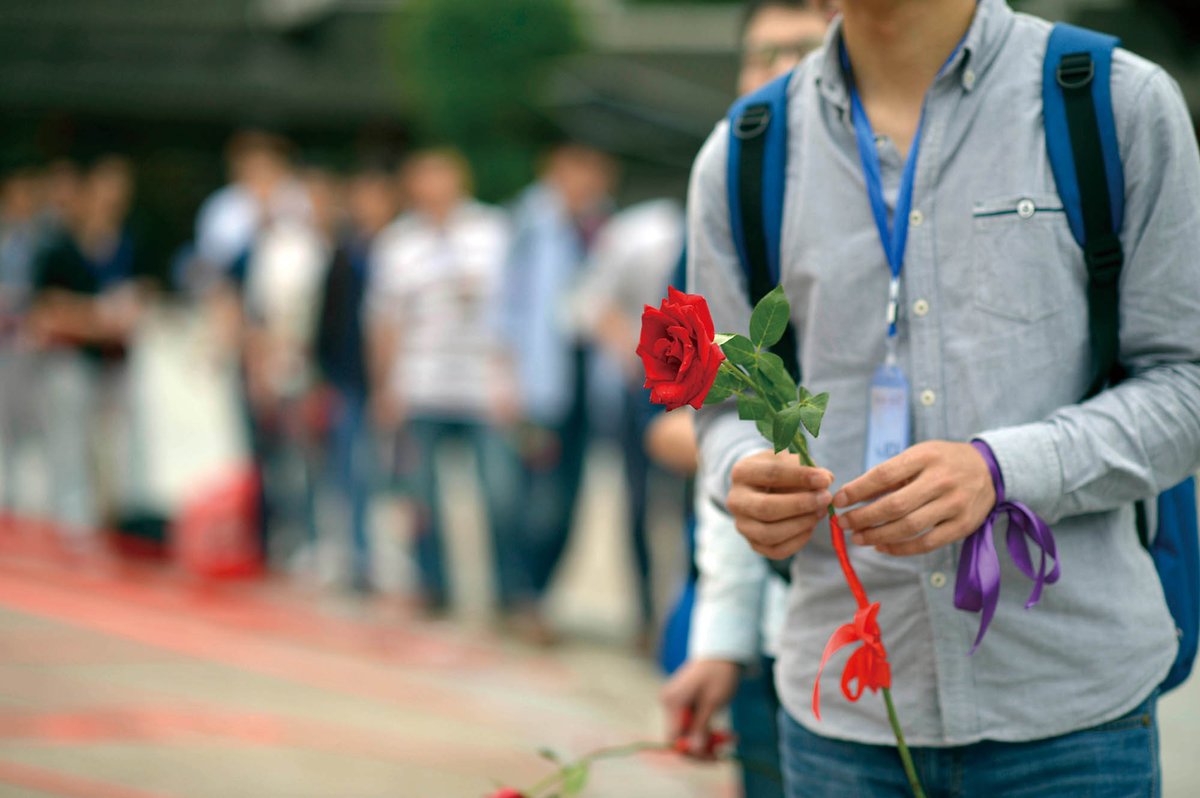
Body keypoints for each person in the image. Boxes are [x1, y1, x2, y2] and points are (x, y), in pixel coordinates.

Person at [689, 0, 1200, 795]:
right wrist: (742, 473)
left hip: (1071, 720)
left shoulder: (1110, 102)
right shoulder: (744, 151)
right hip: (844, 711)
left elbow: (1187, 379)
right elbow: (721, 401)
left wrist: (1004, 470)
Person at [367, 148, 521, 617]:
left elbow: (514, 312)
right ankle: (431, 584)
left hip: (483, 386)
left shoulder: (493, 231)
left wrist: (513, 380)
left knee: (502, 494)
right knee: (419, 495)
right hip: (420, 385)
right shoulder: (398, 243)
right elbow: (383, 321)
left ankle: (511, 593)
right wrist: (384, 386)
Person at [498, 142, 617, 641]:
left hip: (586, 385)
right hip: (539, 386)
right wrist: (506, 380)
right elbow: (505, 305)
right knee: (534, 497)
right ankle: (521, 597)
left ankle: (541, 597)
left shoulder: (602, 228)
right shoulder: (528, 223)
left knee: (570, 498)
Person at [573, 198, 686, 649]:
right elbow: (594, 305)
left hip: (699, 388)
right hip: (641, 386)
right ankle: (646, 614)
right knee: (638, 504)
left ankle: (681, 617)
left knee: (689, 508)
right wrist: (641, 357)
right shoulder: (641, 233)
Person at [28, 156, 147, 543]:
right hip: (71, 362)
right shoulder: (59, 248)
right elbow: (46, 312)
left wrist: (98, 318)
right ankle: (73, 531)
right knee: (70, 447)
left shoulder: (130, 242)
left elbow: (143, 300)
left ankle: (118, 526)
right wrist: (95, 319)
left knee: (120, 452)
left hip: (115, 364)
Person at [312, 160, 399, 592]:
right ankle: (359, 555)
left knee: (393, 474)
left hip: (397, 384)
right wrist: (324, 374)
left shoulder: (403, 249)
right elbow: (326, 318)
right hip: (348, 377)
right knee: (350, 472)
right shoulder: (345, 253)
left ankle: (396, 559)